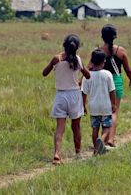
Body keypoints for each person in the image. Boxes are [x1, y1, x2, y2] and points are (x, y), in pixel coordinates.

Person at [42, 34, 90, 165]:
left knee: (60, 128)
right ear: (76, 48)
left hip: (61, 96)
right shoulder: (78, 59)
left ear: (64, 45)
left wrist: (52, 64)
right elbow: (88, 75)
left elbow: (44, 73)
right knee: (76, 126)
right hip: (74, 95)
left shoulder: (56, 59)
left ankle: (57, 154)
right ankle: (78, 153)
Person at [100, 24, 131, 147]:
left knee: (104, 111)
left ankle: (103, 137)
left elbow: (90, 67)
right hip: (116, 82)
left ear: (102, 36)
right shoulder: (121, 50)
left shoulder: (98, 51)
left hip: (102, 83)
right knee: (114, 111)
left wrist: (81, 81)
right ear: (115, 36)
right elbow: (128, 70)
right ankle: (110, 139)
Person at [81, 49, 116, 155]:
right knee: (106, 127)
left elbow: (83, 93)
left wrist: (83, 106)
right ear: (103, 61)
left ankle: (96, 151)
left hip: (93, 107)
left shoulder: (87, 76)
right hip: (105, 106)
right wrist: (113, 104)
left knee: (94, 129)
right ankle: (102, 139)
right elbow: (112, 91)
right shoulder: (107, 74)